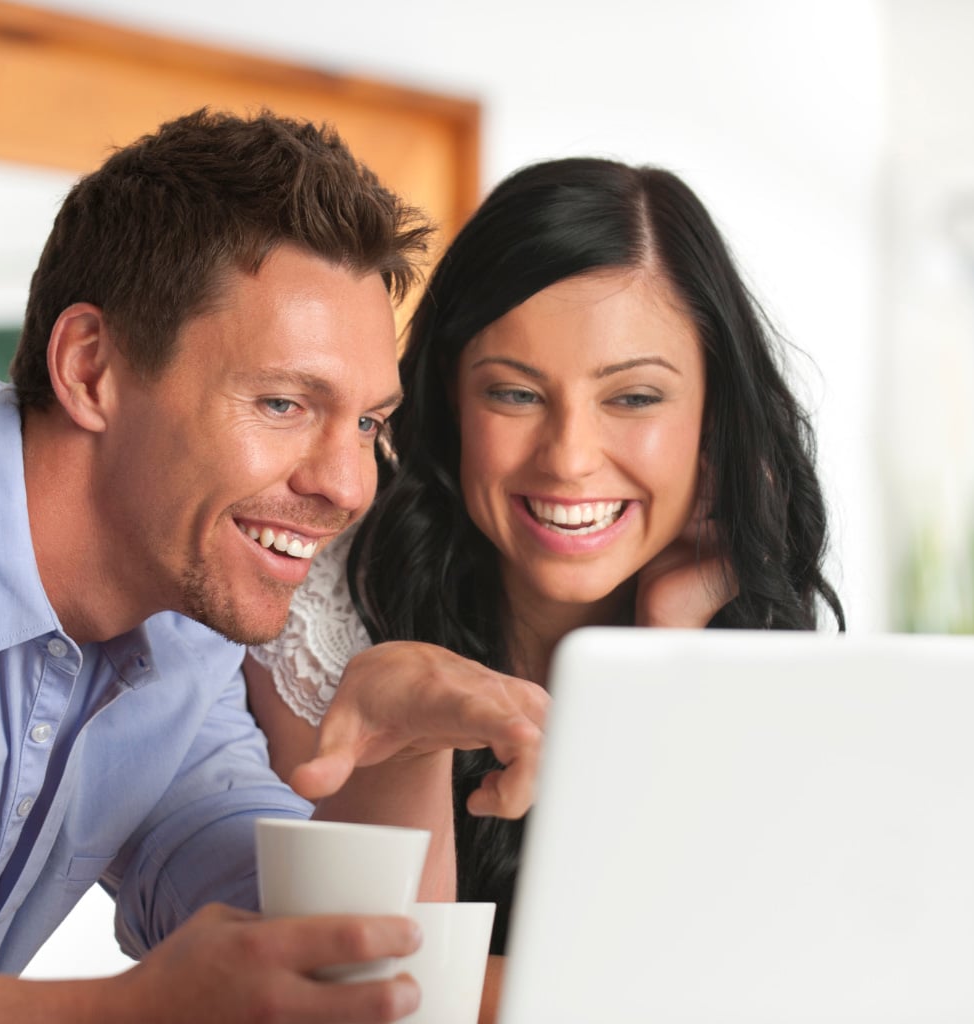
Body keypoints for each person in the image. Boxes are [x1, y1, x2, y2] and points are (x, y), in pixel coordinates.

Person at [245, 155, 847, 1018]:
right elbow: (381, 997)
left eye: (634, 397)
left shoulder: (752, 647)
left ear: (713, 418)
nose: (568, 458)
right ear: (449, 402)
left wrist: (660, 654)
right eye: (516, 394)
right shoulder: (320, 612)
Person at [0, 107, 547, 1023]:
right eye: (284, 402)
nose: (349, 485)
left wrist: (401, 751)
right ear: (91, 369)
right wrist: (117, 1012)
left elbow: (318, 966)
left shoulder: (180, 644)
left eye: (367, 423)